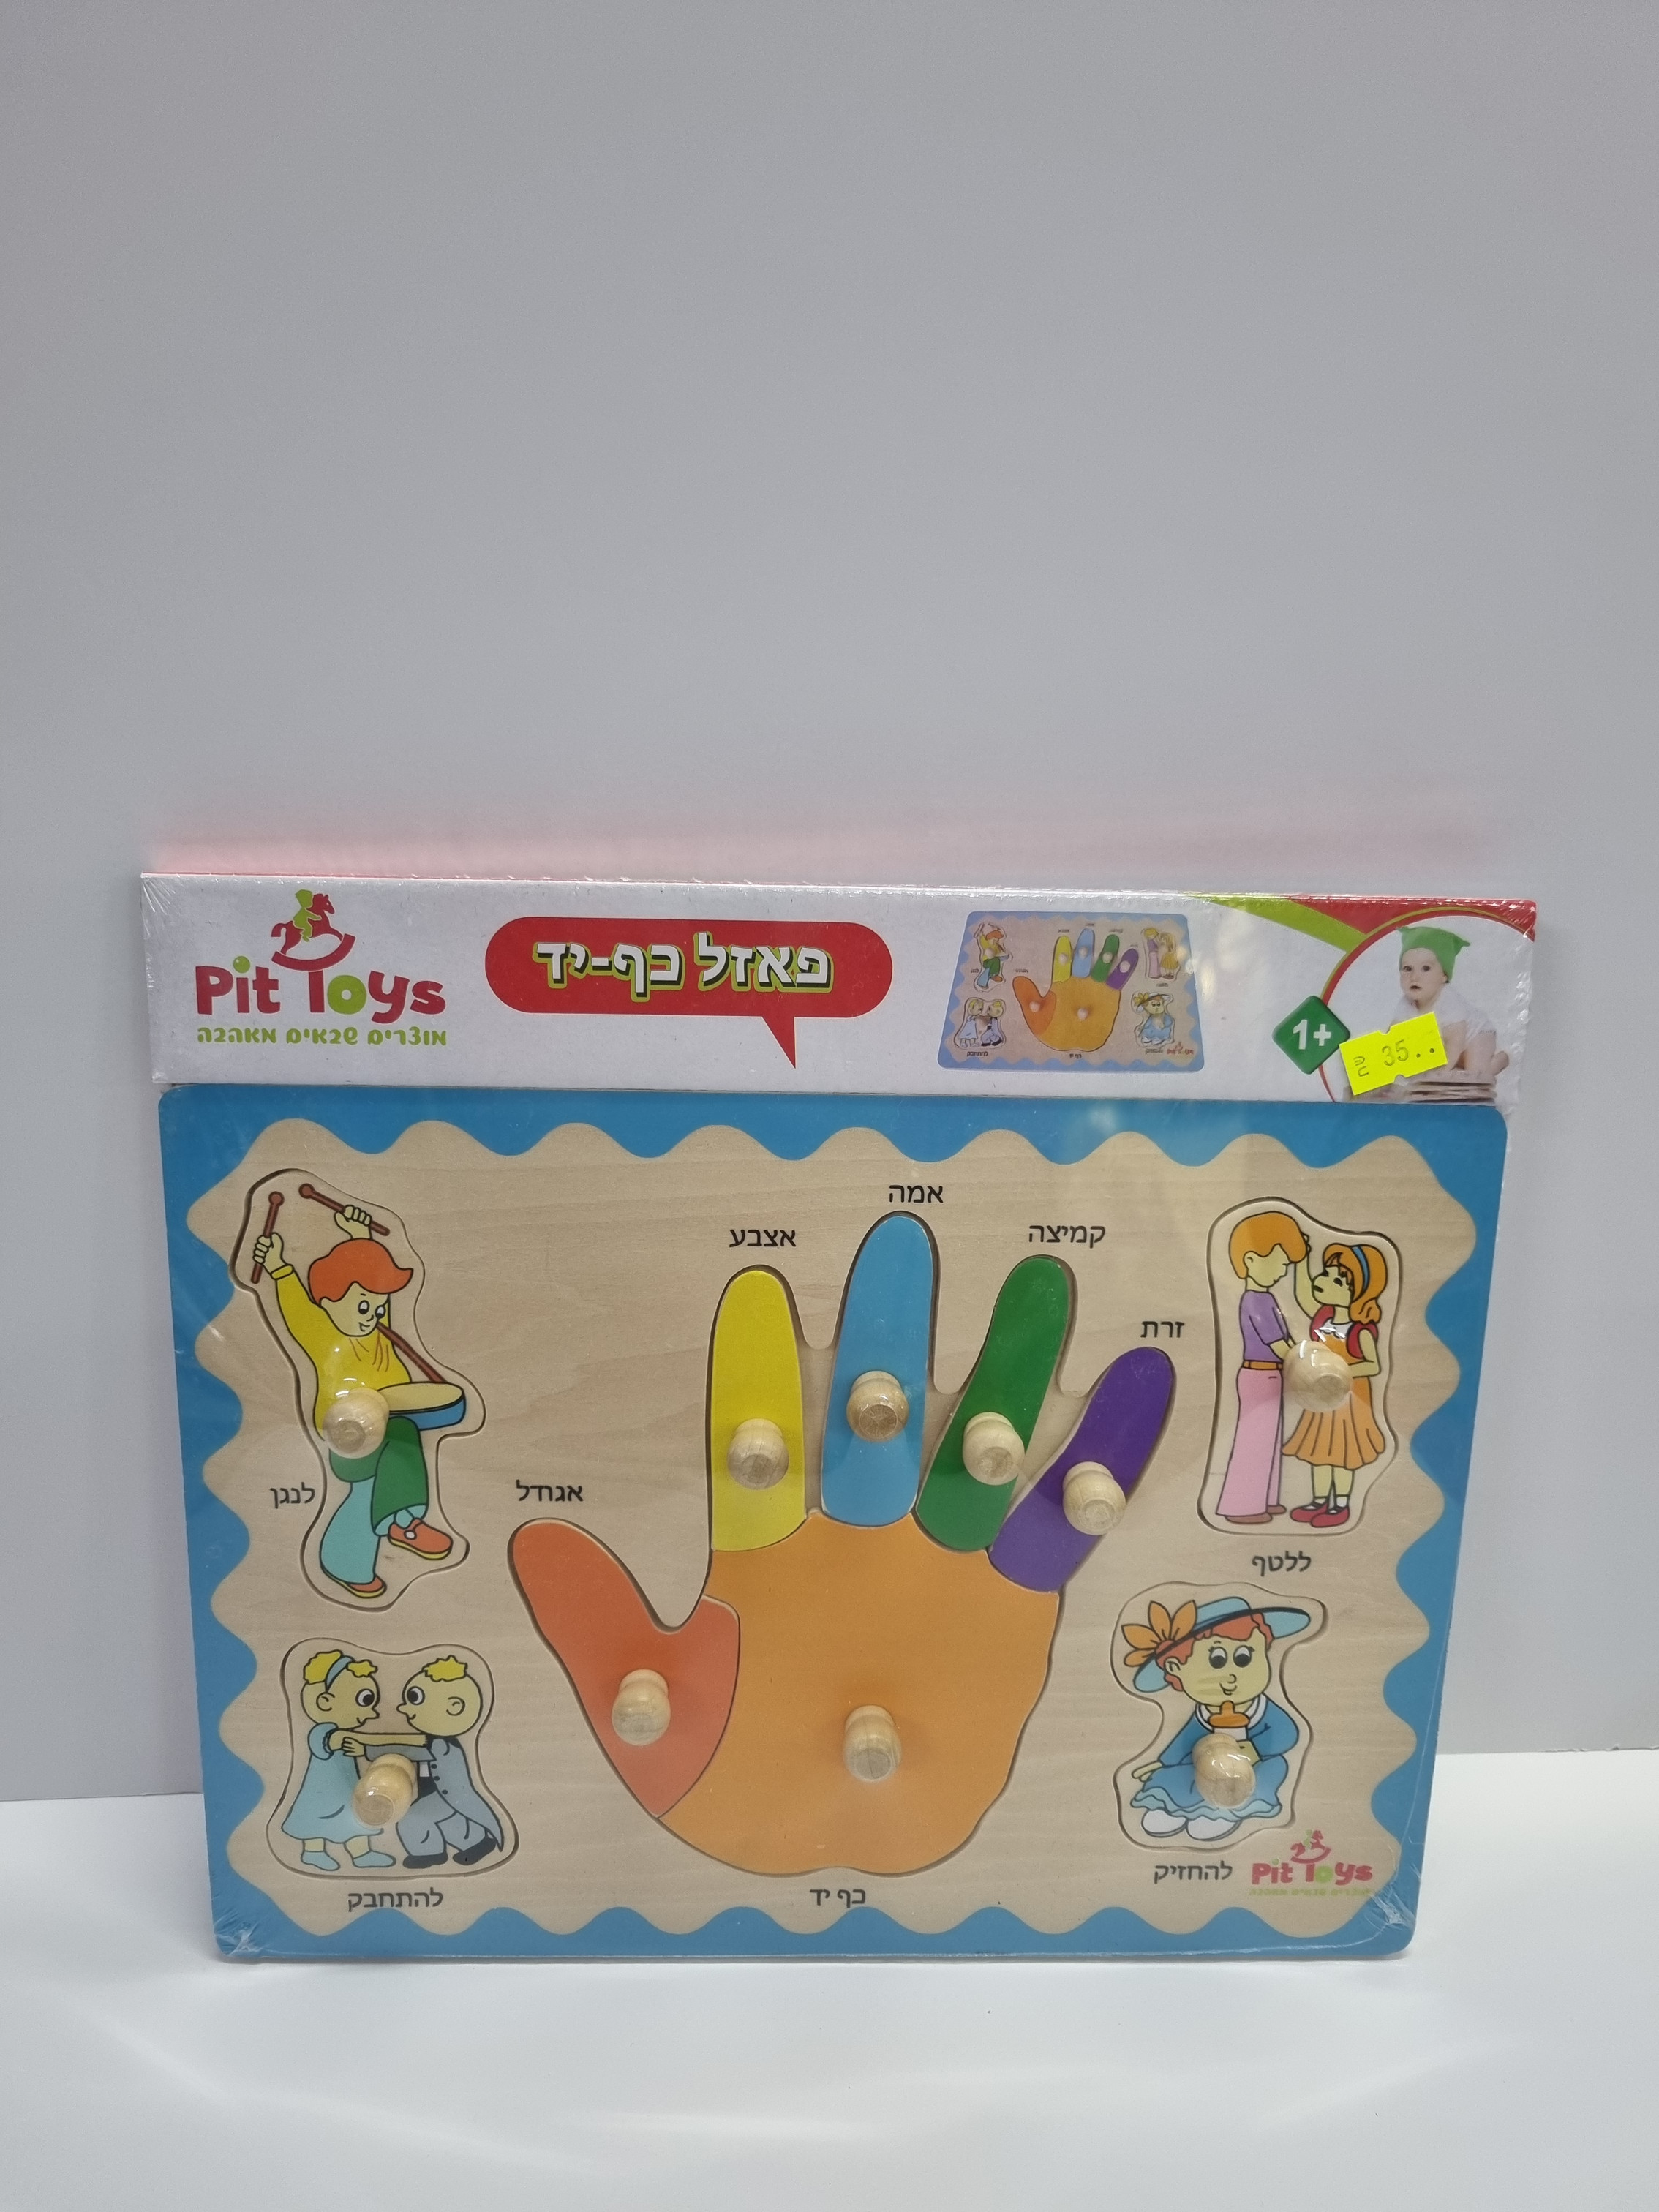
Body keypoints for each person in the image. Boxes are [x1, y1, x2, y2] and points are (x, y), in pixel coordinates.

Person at [252, 1203, 462, 1598]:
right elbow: (297, 1310)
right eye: (364, 1307)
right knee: (372, 1486)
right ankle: (395, 1529)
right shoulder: (324, 1337)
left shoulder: (378, 1331)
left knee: (372, 1489)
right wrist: (279, 1269)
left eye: (378, 1307)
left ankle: (363, 1552)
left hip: (389, 1427)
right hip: (348, 1436)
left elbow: (373, 1285)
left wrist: (359, 1239)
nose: (374, 1315)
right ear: (329, 1303)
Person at [1124, 1598, 1309, 1843]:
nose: (1231, 1676)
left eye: (1244, 1658)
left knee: (1275, 1768)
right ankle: (1171, 1810)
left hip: (1255, 1766)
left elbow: (1286, 1733)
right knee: (1172, 1775)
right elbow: (1185, 1740)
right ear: (1175, 1668)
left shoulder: (1262, 1709)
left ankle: (1223, 1815)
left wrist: (1255, 1750)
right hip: (1207, 1769)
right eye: (1217, 1660)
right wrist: (1162, 1762)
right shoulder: (1204, 1713)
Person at [1214, 1211, 1310, 1525]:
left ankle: (1266, 1497)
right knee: (1255, 1439)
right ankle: (1242, 1505)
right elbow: (1278, 1343)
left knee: (1270, 1437)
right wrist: (1303, 1364)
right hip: (1259, 1373)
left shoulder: (1265, 1298)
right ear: (1252, 1259)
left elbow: (1286, 1340)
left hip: (1270, 1374)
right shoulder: (1255, 1301)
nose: (1283, 1271)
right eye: (1281, 1263)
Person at [1284, 1243, 1389, 1528]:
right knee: (1320, 1451)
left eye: (1338, 1281)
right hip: (1317, 1396)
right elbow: (1304, 1295)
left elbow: (1373, 1365)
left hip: (1348, 1400)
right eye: (1326, 1274)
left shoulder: (1359, 1331)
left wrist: (1337, 1371)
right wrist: (1302, 1260)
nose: (1325, 1281)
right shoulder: (1324, 1319)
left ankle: (1340, 1504)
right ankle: (1319, 1501)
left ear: (1358, 1294)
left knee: (1343, 1454)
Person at [280, 1651, 396, 1871]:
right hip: (321, 1792)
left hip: (347, 1786)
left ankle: (362, 1854)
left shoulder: (342, 1731)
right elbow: (335, 1741)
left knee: (355, 1818)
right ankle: (313, 1852)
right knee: (316, 1821)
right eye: (364, 1701)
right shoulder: (324, 1731)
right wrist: (387, 1740)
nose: (372, 1713)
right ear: (326, 1701)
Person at [394, 1659, 504, 1870]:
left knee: (413, 1818)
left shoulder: (441, 1745)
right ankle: (477, 1843)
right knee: (449, 1820)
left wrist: (367, 1749)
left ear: (454, 1707)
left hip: (445, 1793)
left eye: (415, 1698)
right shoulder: (432, 1739)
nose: (404, 1708)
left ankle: (429, 1853)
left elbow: (409, 1750)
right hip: (436, 1792)